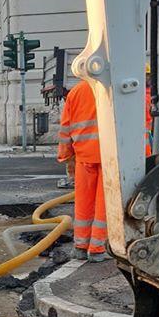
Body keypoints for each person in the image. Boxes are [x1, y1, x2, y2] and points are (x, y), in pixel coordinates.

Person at [57, 79, 108, 261]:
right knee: (104, 204)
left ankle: (80, 246)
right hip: (107, 155)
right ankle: (97, 248)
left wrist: (66, 156)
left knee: (83, 203)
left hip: (83, 156)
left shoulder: (76, 91)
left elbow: (66, 127)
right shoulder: (110, 87)